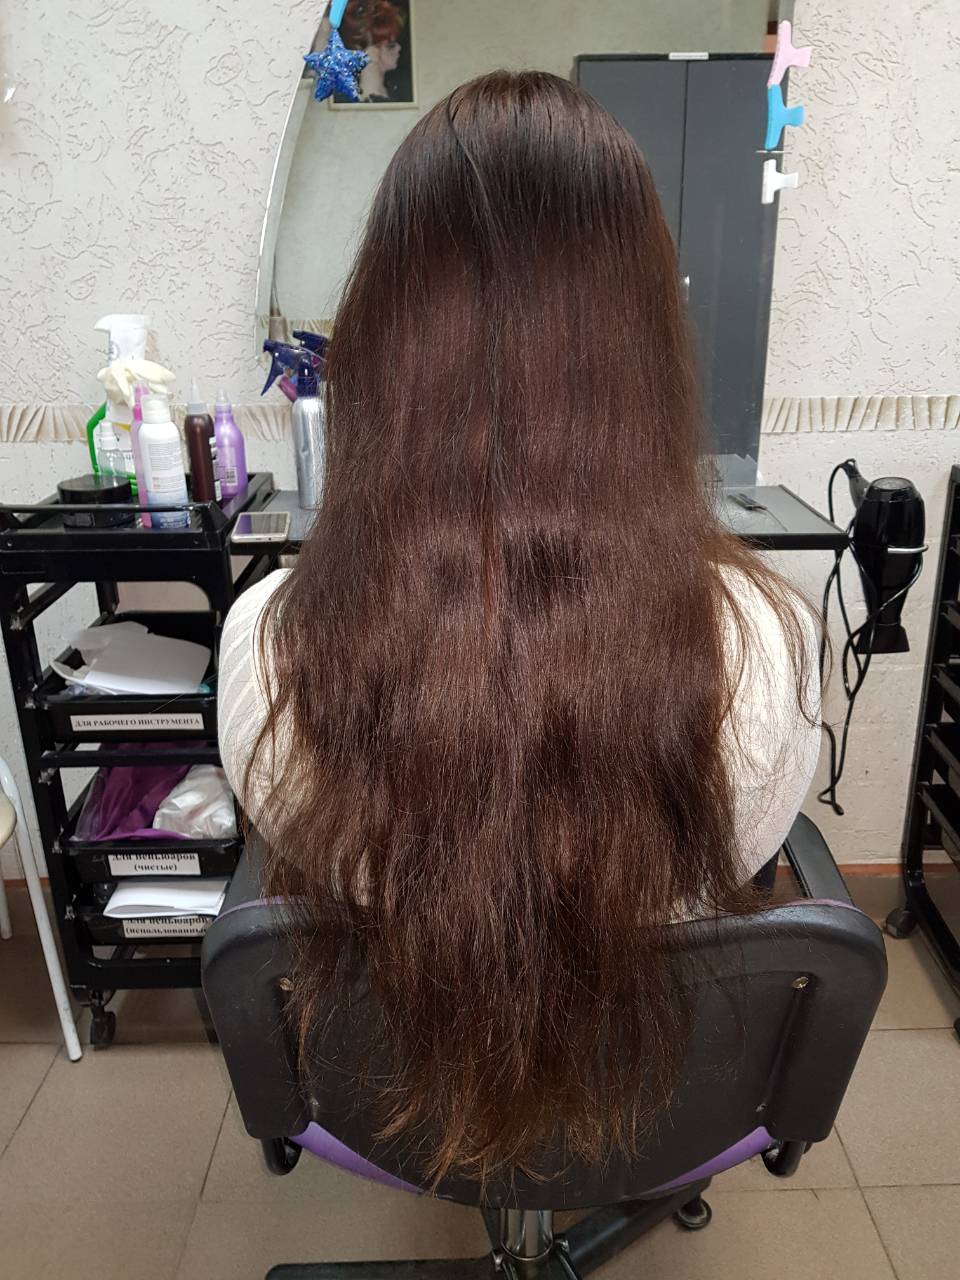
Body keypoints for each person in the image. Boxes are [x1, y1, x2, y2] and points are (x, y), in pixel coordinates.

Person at [219, 70, 821, 1184]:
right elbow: (744, 859)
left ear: (383, 334)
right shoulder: (765, 642)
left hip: (397, 1086)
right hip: (656, 1088)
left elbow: (302, 849)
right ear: (646, 342)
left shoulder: (268, 641)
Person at [339, 0, 408, 103]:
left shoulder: (391, 90)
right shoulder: (369, 99)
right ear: (370, 52)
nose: (399, 48)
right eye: (391, 46)